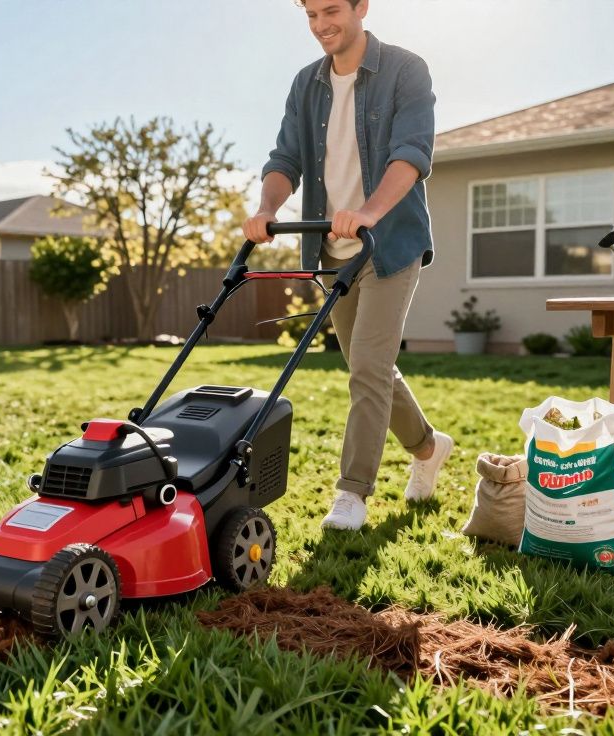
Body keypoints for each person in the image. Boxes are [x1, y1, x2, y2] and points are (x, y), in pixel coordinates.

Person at [243, 0, 452, 531]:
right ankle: (428, 448)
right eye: (310, 15)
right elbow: (285, 158)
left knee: (367, 368)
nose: (320, 26)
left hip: (390, 244)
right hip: (329, 251)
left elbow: (411, 154)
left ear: (362, 6)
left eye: (331, 10)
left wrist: (367, 213)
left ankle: (352, 493)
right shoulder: (305, 84)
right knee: (368, 366)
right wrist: (267, 210)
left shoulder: (406, 69)